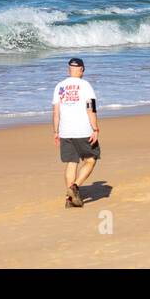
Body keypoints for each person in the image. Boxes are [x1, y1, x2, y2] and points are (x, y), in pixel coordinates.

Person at [52, 57, 100, 208]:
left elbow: (56, 112)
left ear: (69, 70)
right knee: (91, 159)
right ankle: (75, 187)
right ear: (82, 70)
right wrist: (95, 128)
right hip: (83, 130)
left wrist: (56, 131)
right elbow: (90, 108)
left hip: (65, 131)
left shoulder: (60, 86)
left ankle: (70, 199)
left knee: (72, 163)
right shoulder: (85, 86)